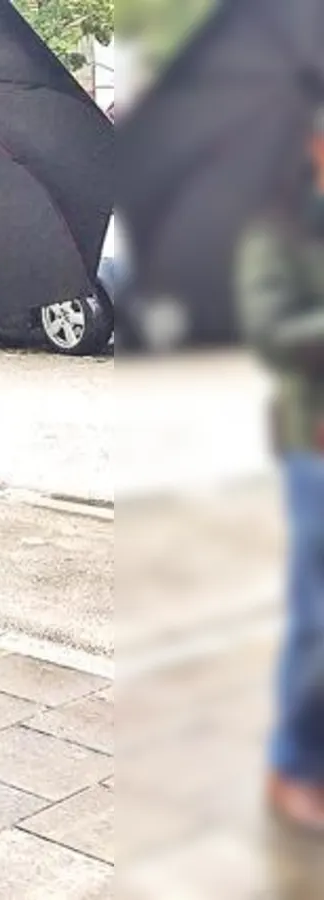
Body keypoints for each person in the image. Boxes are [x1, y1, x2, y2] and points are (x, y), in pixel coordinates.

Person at [235, 108, 324, 835]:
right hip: (314, 439)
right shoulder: (280, 232)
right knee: (317, 617)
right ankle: (293, 765)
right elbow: (272, 334)